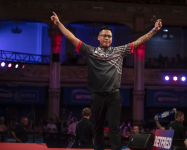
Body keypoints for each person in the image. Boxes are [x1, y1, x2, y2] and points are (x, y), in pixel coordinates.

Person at [50, 12, 162, 150]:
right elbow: (71, 37)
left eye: (109, 36)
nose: (107, 38)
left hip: (114, 95)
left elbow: (139, 41)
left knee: (115, 128)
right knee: (97, 127)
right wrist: (58, 23)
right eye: (104, 36)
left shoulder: (119, 51)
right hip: (97, 95)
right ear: (98, 37)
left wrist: (154, 30)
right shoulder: (91, 51)